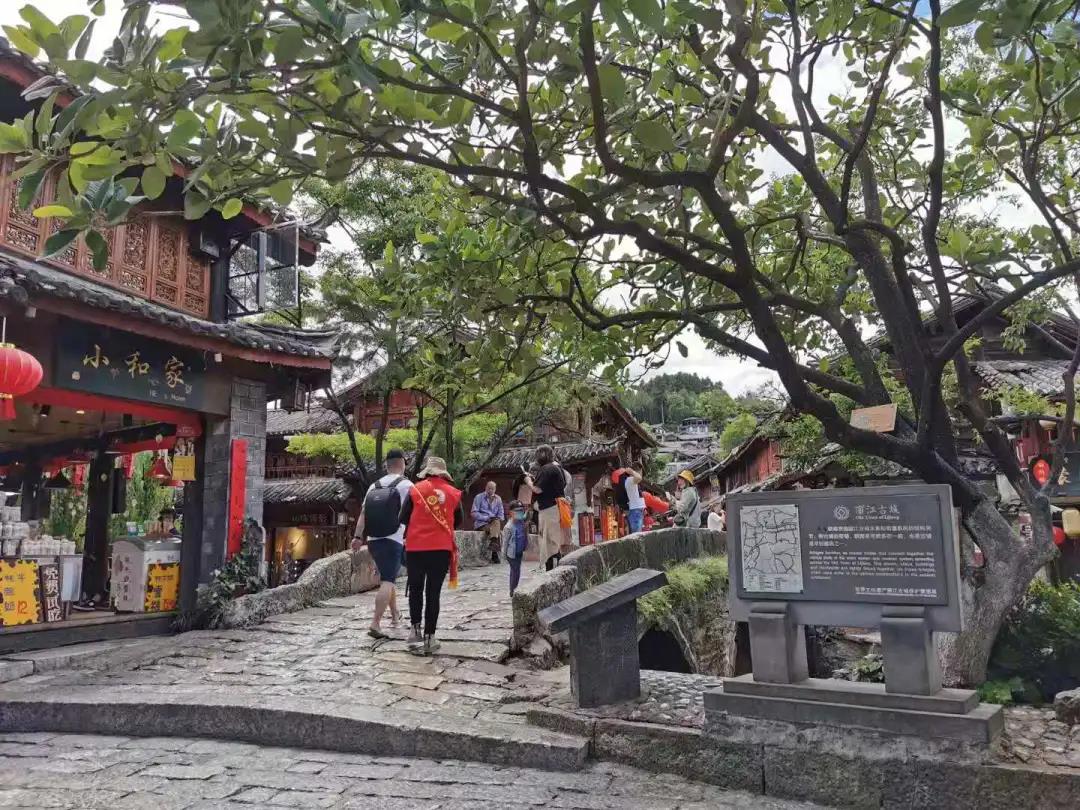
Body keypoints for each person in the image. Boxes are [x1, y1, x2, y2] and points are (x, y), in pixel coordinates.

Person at [400, 456, 464, 656]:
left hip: (416, 548)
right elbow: (459, 520)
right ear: (444, 474)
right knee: (433, 593)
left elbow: (402, 517)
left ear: (427, 472)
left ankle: (415, 631)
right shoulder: (453, 493)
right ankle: (430, 638)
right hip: (440, 549)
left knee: (416, 589)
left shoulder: (415, 490)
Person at [353, 449, 414, 639]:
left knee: (388, 576)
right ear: (402, 463)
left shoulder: (374, 486)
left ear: (387, 465)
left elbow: (363, 514)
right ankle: (375, 623)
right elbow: (416, 514)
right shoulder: (407, 485)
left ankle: (395, 614)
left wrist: (357, 537)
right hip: (393, 539)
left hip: (373, 540)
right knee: (387, 581)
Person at [528, 444, 565, 571]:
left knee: (549, 541)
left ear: (543, 455)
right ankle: (553, 567)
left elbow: (537, 489)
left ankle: (552, 569)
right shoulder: (557, 467)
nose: (536, 457)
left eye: (538, 454)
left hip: (549, 509)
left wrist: (528, 481)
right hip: (554, 507)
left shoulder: (547, 469)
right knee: (551, 540)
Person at [471, 480, 505, 564]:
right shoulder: (479, 497)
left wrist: (496, 518)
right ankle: (494, 554)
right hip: (481, 523)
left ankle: (494, 549)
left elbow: (501, 514)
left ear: (495, 489)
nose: (490, 490)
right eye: (489, 488)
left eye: (492, 489)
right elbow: (474, 513)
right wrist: (486, 518)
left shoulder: (498, 499)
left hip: (494, 522)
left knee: (496, 522)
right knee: (496, 528)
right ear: (485, 488)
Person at [501, 500, 529, 596]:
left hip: (519, 552)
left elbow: (525, 516)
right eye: (517, 511)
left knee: (516, 571)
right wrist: (504, 555)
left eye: (521, 510)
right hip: (511, 554)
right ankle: (513, 590)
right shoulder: (508, 527)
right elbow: (505, 542)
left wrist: (528, 510)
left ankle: (513, 589)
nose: (520, 513)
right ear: (511, 513)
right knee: (515, 570)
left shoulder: (521, 522)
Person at [612, 465, 646, 534]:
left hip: (635, 510)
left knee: (635, 533)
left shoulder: (627, 482)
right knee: (637, 534)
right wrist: (632, 472)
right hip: (636, 510)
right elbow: (639, 478)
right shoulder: (630, 480)